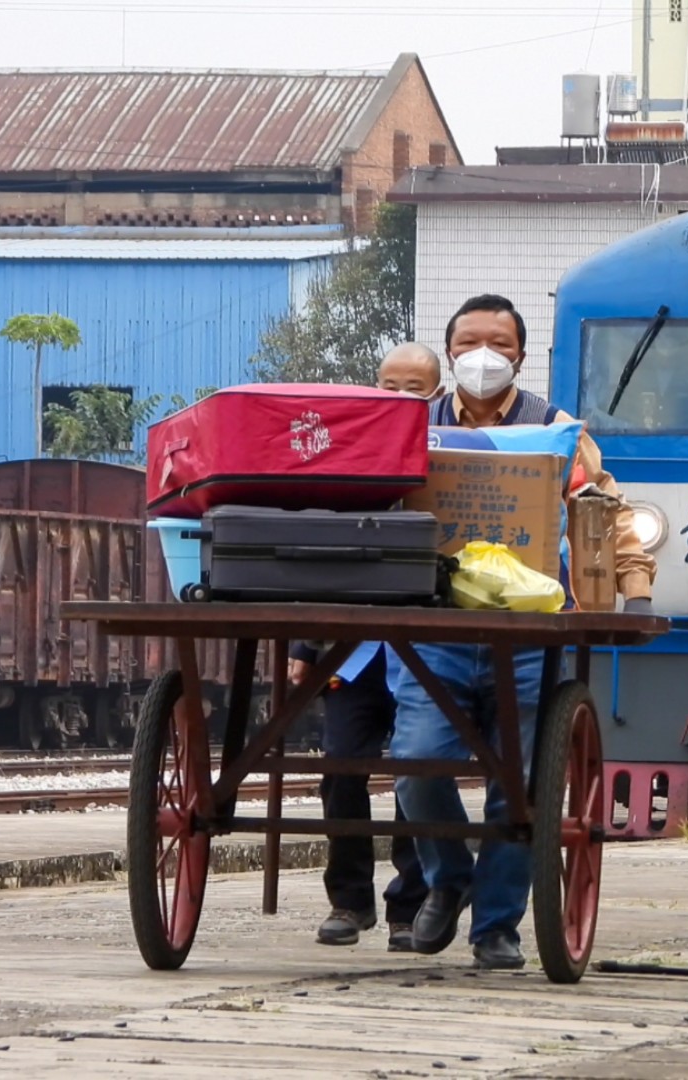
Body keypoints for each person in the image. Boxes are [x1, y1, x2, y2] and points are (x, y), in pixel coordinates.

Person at [395, 293, 656, 970]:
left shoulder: (557, 429)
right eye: (469, 342)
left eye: (499, 344)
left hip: (532, 633)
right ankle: (448, 877)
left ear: (519, 353)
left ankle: (497, 927)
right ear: (449, 352)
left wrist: (635, 589)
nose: (483, 356)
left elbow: (606, 510)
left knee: (524, 785)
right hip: (437, 628)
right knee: (417, 764)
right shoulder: (405, 426)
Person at [289, 342, 445, 950]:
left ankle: (409, 906)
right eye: (389, 384)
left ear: (437, 393)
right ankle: (348, 902)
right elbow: (320, 550)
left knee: (418, 774)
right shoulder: (347, 450)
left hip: (427, 645)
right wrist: (305, 640)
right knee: (341, 771)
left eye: (414, 387)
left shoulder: (454, 454)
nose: (400, 396)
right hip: (353, 650)